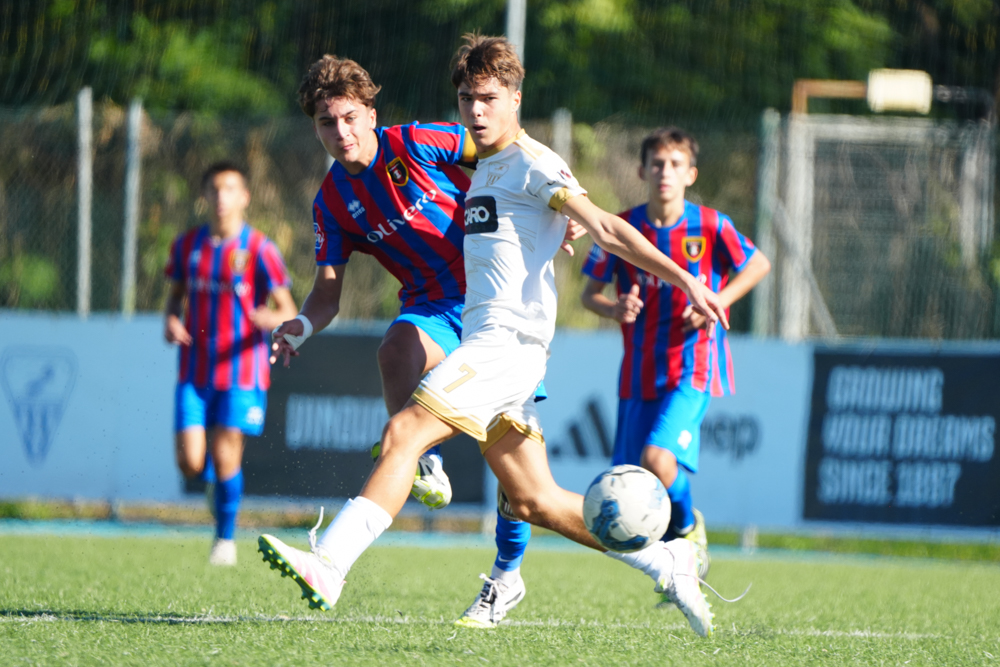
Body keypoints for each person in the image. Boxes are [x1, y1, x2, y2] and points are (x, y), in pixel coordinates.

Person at [260, 35, 729, 637]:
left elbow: (608, 228)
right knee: (535, 500)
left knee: (404, 433)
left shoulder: (530, 162)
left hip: (502, 347)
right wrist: (554, 226)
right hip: (496, 347)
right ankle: (668, 562)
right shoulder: (486, 168)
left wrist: (686, 279)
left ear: (514, 98)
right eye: (466, 99)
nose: (475, 111)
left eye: (487, 99)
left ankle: (330, 564)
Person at [268, 55, 580, 627]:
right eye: (326, 122)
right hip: (434, 307)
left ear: (371, 115)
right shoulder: (331, 203)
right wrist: (303, 326)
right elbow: (327, 295)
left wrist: (557, 209)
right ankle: (423, 462)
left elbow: (506, 151)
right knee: (395, 351)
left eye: (349, 117)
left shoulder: (415, 141)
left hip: (498, 300)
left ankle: (507, 574)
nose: (340, 132)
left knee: (518, 476)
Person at [581, 127, 771, 589]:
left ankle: (688, 527)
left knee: (657, 459)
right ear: (642, 171)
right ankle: (676, 562)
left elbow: (758, 264)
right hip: (638, 372)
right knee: (631, 479)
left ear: (691, 174)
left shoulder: (711, 225)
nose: (665, 172)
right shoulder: (622, 227)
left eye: (675, 165)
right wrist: (614, 307)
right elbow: (590, 295)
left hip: (694, 364)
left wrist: (715, 303)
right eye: (658, 164)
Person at [164, 161, 296, 565]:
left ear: (244, 197)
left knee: (226, 454)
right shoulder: (188, 245)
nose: (221, 197)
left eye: (229, 189)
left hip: (242, 371)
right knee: (190, 462)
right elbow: (174, 298)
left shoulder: (260, 248)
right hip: (194, 371)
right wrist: (171, 320)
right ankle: (214, 486)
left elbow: (287, 309)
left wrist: (271, 317)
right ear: (204, 196)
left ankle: (224, 540)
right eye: (214, 189)